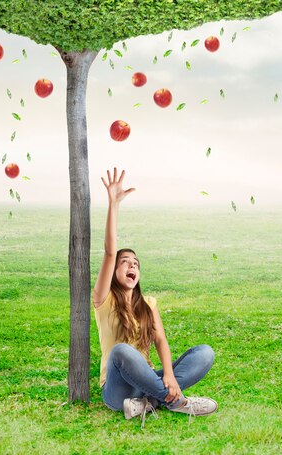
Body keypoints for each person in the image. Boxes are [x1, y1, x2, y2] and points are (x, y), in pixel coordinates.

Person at [93, 167, 217, 428]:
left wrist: (169, 375)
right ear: (114, 269)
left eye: (136, 264)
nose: (132, 266)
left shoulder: (148, 303)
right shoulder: (103, 299)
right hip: (117, 390)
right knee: (121, 351)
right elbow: (108, 251)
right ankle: (178, 402)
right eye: (125, 262)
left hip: (146, 382)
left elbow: (160, 340)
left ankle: (149, 402)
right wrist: (113, 205)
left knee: (204, 353)